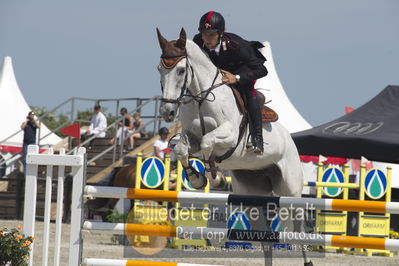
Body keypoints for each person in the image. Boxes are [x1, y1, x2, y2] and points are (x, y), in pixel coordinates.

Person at [193, 11, 268, 154]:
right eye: (204, 34)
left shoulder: (236, 45)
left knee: (248, 91)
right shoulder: (198, 41)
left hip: (244, 69)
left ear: (220, 34)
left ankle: (257, 139)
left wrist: (236, 78)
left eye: (211, 35)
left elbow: (262, 70)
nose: (206, 39)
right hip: (221, 70)